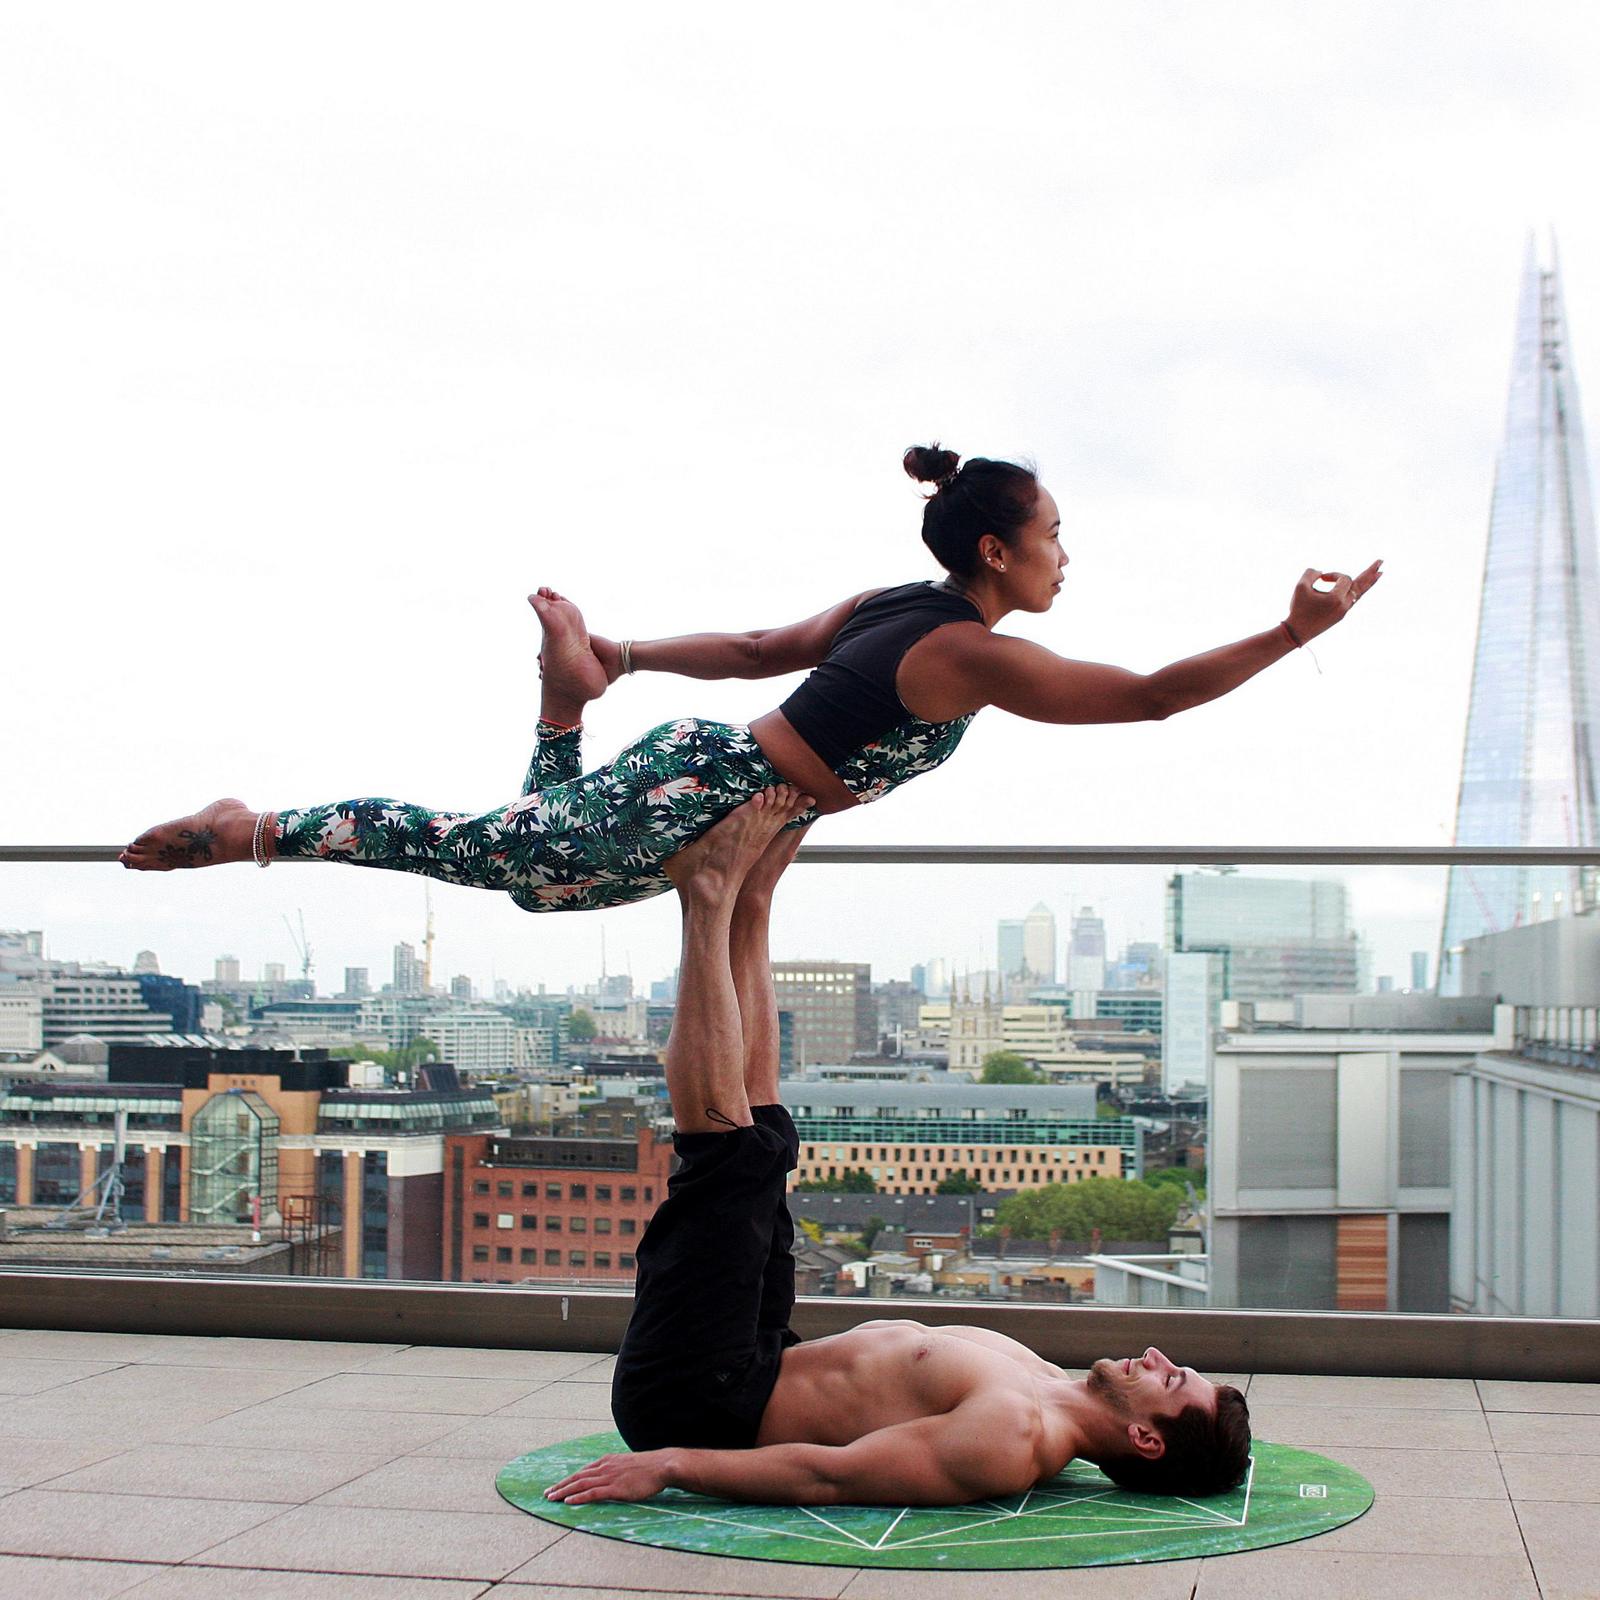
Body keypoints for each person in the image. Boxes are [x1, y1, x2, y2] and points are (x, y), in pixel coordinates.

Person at [120, 446, 1382, 909]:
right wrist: (1293, 635)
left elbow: (759, 651)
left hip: (710, 772)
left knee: (542, 868)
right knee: (509, 863)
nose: (1066, 554)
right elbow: (1153, 695)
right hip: (709, 791)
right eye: (1054, 533)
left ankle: (567, 696)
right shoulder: (971, 652)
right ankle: (259, 827)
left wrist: (621, 655)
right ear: (997, 547)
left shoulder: (893, 605)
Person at [543, 787, 1251, 1509]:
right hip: (759, 1357)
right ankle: (751, 903)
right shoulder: (1042, 1380)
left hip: (698, 1397)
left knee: (727, 1154)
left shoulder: (1010, 1441)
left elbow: (830, 1475)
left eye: (1170, 1381)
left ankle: (705, 894)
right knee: (769, 1134)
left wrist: (671, 1466)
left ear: (1147, 1440)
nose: (1160, 1358)